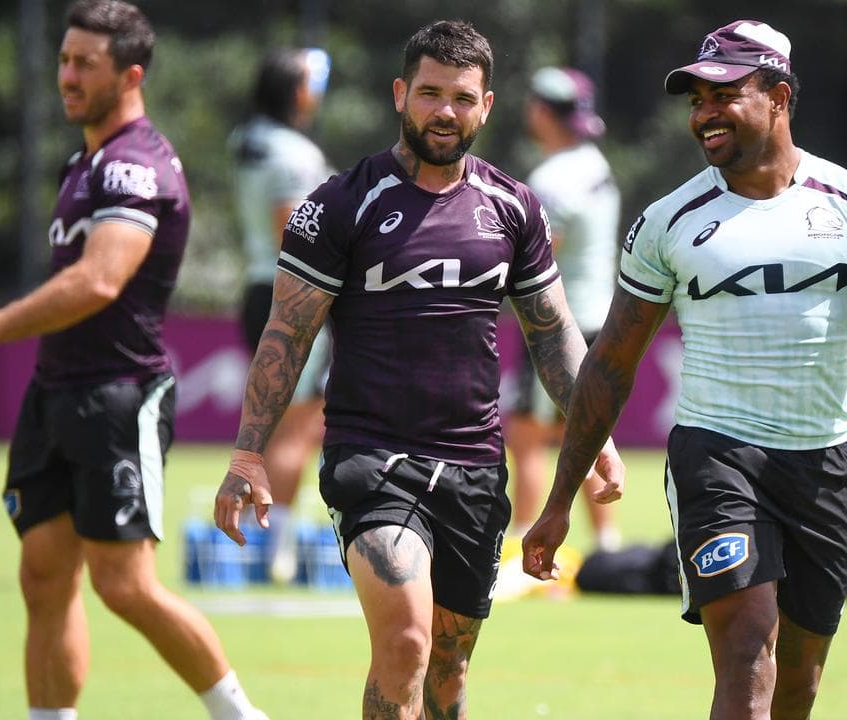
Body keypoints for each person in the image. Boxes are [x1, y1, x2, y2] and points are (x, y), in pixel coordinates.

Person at [522, 19, 847, 720]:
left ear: (780, 96)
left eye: (725, 95)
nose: (704, 115)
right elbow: (610, 366)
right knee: (749, 654)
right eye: (695, 100)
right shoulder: (670, 221)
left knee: (800, 682)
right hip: (717, 458)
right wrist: (557, 501)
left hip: (823, 466)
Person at [212, 20, 624, 719]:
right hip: (371, 458)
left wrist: (596, 436)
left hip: (471, 466)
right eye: (429, 93)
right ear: (401, 93)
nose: (444, 112)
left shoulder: (514, 208)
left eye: (462, 98)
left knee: (448, 671)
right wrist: (248, 450)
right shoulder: (341, 203)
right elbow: (286, 332)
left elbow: (554, 336)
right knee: (404, 642)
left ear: (485, 106)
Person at [0, 2, 267, 718]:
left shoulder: (134, 168)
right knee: (44, 574)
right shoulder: (85, 162)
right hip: (56, 392)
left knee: (124, 585)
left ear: (132, 74)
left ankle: (242, 716)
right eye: (63, 60)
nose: (68, 76)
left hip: (118, 395)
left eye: (86, 63)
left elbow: (100, 280)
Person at [502, 66, 622, 552]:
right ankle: (607, 543)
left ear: (540, 111)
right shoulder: (596, 163)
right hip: (601, 316)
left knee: (527, 435)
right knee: (588, 433)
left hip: (557, 324)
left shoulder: (552, 178)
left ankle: (520, 542)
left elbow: (541, 251)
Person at [229, 46, 337, 583]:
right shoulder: (294, 152)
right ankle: (276, 551)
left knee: (271, 423)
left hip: (254, 285)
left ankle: (255, 540)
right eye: (312, 82)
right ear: (296, 90)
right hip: (292, 296)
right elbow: (295, 233)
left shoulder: (245, 141)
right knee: (298, 427)